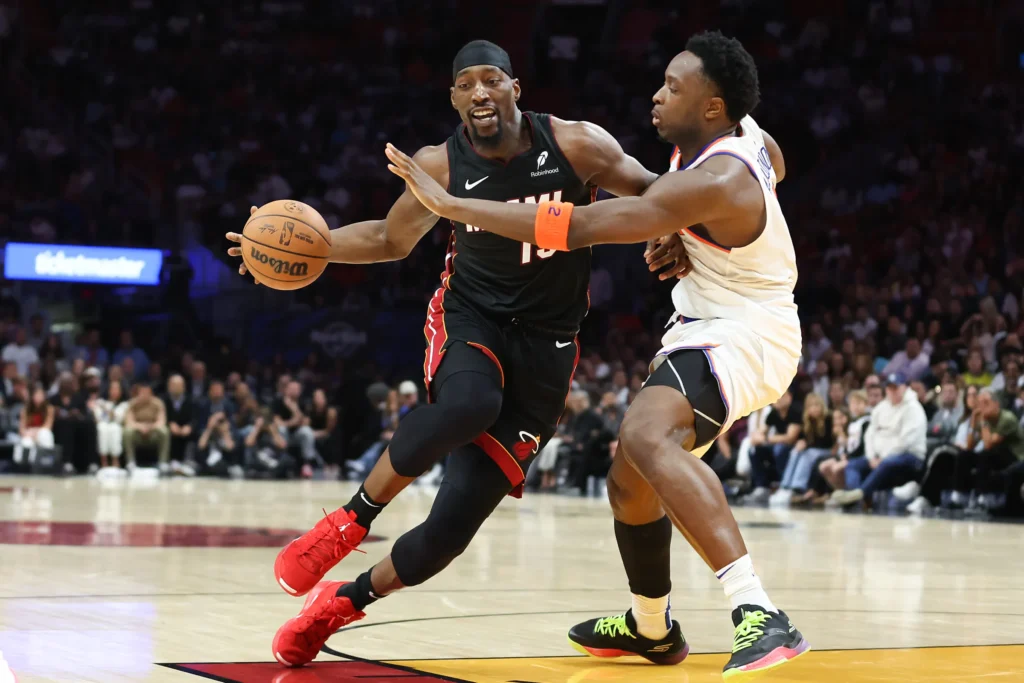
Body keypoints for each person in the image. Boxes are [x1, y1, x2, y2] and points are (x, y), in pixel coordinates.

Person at [229, 40, 691, 669]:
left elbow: (654, 192)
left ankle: (340, 603)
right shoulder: (440, 164)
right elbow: (391, 239)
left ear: (514, 89)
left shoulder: (577, 144)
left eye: (491, 80)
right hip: (471, 317)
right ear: (453, 98)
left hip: (548, 348)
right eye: (466, 83)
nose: (479, 92)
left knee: (445, 536)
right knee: (472, 401)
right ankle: (347, 521)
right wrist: (304, 251)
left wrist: (670, 230)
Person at [386, 31, 808, 678]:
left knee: (646, 434)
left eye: (673, 87)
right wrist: (690, 238)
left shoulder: (716, 177)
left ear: (713, 108)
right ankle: (650, 627)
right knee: (628, 480)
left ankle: (757, 610)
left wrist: (450, 205)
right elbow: (775, 164)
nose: (657, 94)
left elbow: (577, 226)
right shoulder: (741, 132)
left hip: (747, 328)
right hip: (709, 317)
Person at [828, 373, 927, 508]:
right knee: (852, 465)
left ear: (904, 388)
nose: (892, 391)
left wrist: (882, 457)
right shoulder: (881, 408)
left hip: (910, 457)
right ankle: (854, 497)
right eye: (889, 388)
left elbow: (906, 441)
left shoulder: (914, 409)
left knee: (887, 462)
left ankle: (860, 493)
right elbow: (870, 435)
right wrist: (871, 456)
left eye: (896, 388)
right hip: (879, 457)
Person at [123, 382, 170, 472]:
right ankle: (131, 462)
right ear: (138, 393)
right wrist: (141, 427)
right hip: (137, 434)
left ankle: (163, 463)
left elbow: (162, 421)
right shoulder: (132, 403)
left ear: (151, 393)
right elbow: (129, 422)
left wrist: (149, 427)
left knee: (164, 431)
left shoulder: (158, 403)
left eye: (147, 393)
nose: (144, 395)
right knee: (127, 431)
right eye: (142, 393)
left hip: (153, 434)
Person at [13, 385, 54, 466]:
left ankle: (48, 462)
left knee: (45, 434)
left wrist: (35, 432)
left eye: (41, 395)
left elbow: (48, 426)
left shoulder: (49, 409)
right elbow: (21, 429)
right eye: (36, 395)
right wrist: (28, 434)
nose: (38, 397)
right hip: (29, 435)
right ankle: (27, 466)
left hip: (40, 434)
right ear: (32, 396)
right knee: (26, 442)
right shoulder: (25, 410)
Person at [91, 380, 128, 470]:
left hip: (116, 425)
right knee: (102, 428)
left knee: (114, 428)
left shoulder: (124, 404)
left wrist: (107, 410)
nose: (114, 391)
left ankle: (115, 460)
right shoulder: (100, 402)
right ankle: (104, 460)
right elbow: (99, 418)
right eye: (112, 389)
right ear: (108, 390)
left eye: (117, 389)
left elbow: (119, 419)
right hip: (103, 425)